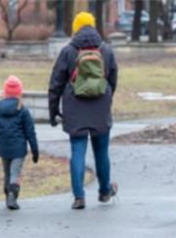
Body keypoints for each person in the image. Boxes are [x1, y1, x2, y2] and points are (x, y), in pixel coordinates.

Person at [48, 11, 119, 210]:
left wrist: (53, 111)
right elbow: (113, 78)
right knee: (102, 152)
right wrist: (106, 96)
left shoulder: (68, 51)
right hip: (100, 107)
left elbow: (55, 83)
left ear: (76, 27)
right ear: (93, 25)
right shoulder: (105, 50)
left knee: (77, 151)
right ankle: (105, 191)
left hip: (74, 107)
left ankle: (79, 196)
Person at [0, 75, 39, 210]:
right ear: (19, 93)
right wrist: (35, 151)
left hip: (4, 148)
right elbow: (30, 133)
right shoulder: (23, 110)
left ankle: (8, 196)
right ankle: (12, 196)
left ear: (5, 92)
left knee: (7, 173)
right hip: (19, 149)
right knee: (15, 173)